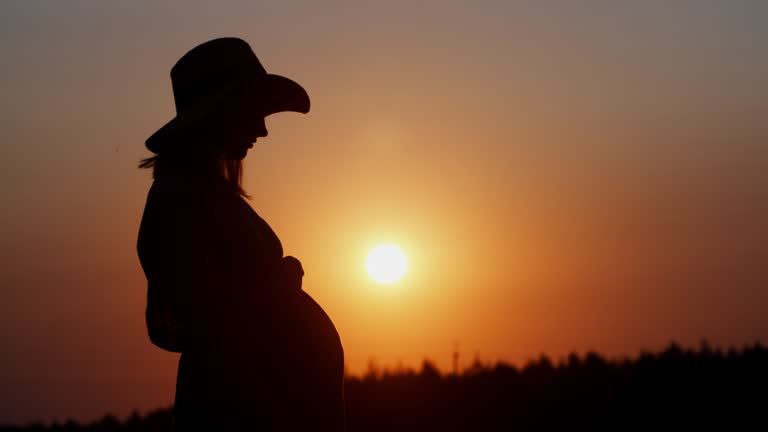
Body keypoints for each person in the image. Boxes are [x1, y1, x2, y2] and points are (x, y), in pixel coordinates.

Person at [136, 37, 345, 431]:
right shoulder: (179, 199)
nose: (263, 130)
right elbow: (196, 318)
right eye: (254, 112)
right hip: (243, 411)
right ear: (221, 111)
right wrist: (276, 291)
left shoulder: (208, 196)